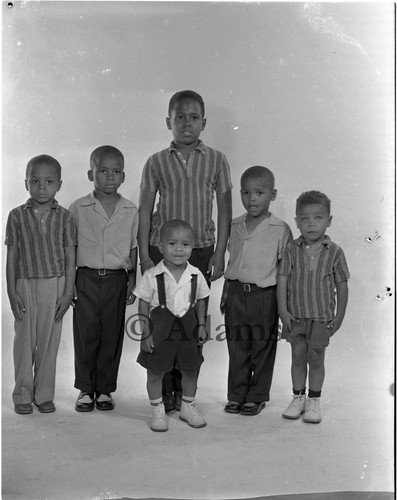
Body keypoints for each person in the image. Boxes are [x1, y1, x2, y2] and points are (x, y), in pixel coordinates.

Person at [138, 90, 232, 411]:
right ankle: (164, 390)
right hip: (162, 252)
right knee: (163, 320)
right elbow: (144, 209)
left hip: (202, 249)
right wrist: (145, 255)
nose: (186, 123)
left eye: (193, 117)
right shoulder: (156, 162)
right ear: (168, 122)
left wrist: (219, 253)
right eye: (179, 117)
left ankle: (184, 389)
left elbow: (224, 210)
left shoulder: (217, 160)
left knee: (191, 321)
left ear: (203, 123)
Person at [5, 154, 76, 414]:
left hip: (55, 285)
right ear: (26, 183)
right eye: (35, 181)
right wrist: (11, 291)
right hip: (24, 284)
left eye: (48, 181)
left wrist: (68, 292)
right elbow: (12, 256)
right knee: (24, 341)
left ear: (59, 184)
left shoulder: (66, 218)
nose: (42, 186)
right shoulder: (15, 216)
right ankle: (22, 394)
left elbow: (71, 257)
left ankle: (44, 394)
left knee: (49, 342)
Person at [70, 145, 138, 412]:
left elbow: (133, 246)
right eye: (103, 171)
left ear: (123, 176)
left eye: (116, 171)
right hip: (84, 278)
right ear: (91, 174)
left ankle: (106, 389)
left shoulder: (131, 210)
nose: (110, 176)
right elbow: (70, 247)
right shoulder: (78, 208)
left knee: (111, 335)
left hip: (116, 280)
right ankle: (86, 389)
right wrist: (69, 285)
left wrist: (132, 279)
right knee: (86, 334)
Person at [221, 166, 292, 416]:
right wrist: (227, 292)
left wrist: (283, 305)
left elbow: (285, 270)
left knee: (262, 345)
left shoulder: (280, 229)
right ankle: (236, 394)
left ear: (272, 194)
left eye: (259, 193)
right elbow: (233, 261)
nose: (252, 199)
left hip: (265, 296)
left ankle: (257, 395)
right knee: (237, 345)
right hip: (236, 293)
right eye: (246, 192)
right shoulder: (235, 225)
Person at [277, 190, 349, 423]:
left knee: (316, 357)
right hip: (296, 316)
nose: (311, 224)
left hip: (322, 317)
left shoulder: (335, 252)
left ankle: (314, 400)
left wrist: (339, 317)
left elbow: (342, 285)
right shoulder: (291, 249)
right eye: (304, 218)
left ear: (328, 220)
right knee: (297, 356)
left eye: (318, 217)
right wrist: (283, 310)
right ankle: (298, 397)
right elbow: (283, 280)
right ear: (297, 221)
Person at [135, 220, 210, 432]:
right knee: (155, 372)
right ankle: (157, 410)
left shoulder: (195, 274)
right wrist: (145, 333)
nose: (179, 249)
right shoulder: (152, 275)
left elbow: (202, 299)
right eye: (172, 243)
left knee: (191, 370)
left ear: (193, 246)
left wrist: (202, 324)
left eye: (185, 244)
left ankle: (187, 406)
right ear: (160, 247)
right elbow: (142, 303)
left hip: (187, 332)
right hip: (160, 332)